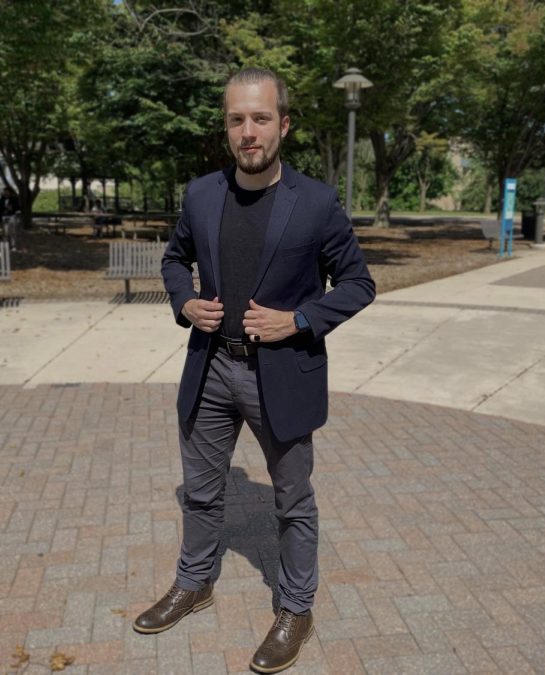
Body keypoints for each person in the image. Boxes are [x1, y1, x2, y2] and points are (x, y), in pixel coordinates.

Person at [134, 68, 375, 673]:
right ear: (227, 128)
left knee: (292, 501)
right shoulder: (200, 194)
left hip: (281, 377)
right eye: (238, 119)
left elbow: (358, 284)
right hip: (211, 367)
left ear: (283, 124)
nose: (249, 131)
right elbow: (173, 259)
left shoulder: (316, 202)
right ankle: (194, 584)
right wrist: (183, 300)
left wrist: (298, 320)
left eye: (261, 118)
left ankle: (296, 608)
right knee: (201, 493)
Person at [0, 186, 20, 250]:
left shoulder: (14, 199)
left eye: (7, 192)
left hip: (12, 216)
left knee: (12, 232)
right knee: (5, 232)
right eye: (4, 192)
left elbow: (17, 207)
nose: (6, 193)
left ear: (10, 192)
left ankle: (13, 246)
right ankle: (5, 246)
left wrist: (11, 208)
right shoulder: (1, 200)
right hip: (4, 217)